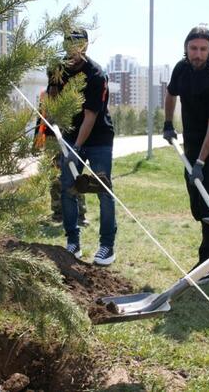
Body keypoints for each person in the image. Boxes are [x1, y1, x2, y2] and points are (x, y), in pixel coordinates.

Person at [163, 25, 209, 282]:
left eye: (203, 49)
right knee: (198, 204)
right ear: (186, 48)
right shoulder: (181, 69)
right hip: (193, 144)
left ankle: (207, 262)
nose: (198, 54)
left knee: (208, 204)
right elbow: (171, 93)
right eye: (193, 48)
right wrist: (168, 123)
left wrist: (201, 163)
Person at [58, 29, 117, 265]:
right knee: (67, 188)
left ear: (86, 46)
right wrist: (58, 132)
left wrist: (77, 147)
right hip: (70, 135)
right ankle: (73, 242)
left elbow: (90, 116)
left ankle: (107, 246)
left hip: (98, 138)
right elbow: (53, 98)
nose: (73, 49)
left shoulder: (96, 75)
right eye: (69, 44)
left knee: (103, 189)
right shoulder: (58, 70)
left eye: (78, 44)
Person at [34, 71, 88, 226]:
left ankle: (80, 213)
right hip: (51, 141)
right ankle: (58, 212)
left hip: (70, 141)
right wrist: (36, 142)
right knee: (55, 178)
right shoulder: (45, 95)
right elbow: (40, 119)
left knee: (74, 175)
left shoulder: (70, 94)